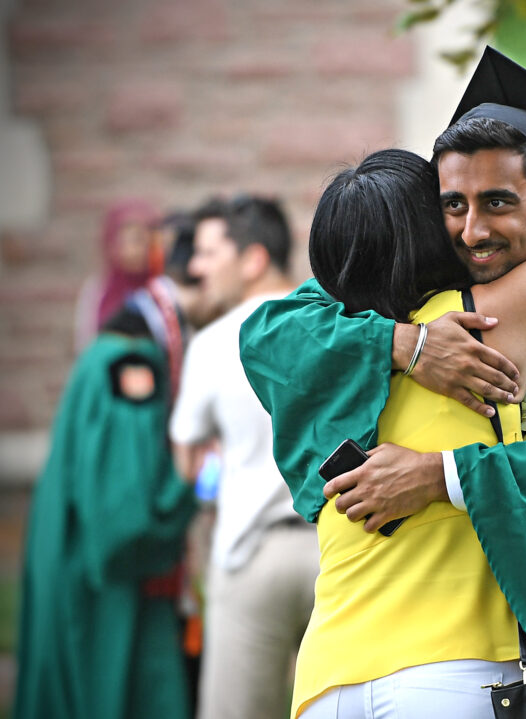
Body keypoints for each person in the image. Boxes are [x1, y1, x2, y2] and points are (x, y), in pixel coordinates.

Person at [241, 47, 526, 718]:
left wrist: (438, 472)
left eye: (497, 202)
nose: (473, 229)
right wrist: (409, 345)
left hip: (345, 679)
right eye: (452, 205)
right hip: (448, 672)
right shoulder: (440, 310)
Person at [15, 217, 202, 719]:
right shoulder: (133, 360)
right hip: (106, 581)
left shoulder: (128, 343)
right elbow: (125, 521)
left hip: (87, 557)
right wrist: (185, 485)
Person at [167, 196, 319, 719]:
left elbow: (187, 466)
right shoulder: (337, 320)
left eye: (210, 252)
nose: (195, 266)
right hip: (340, 548)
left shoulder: (212, 342)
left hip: (249, 552)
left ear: (253, 259)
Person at [74, 199, 164, 352]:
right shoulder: (97, 292)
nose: (137, 250)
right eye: (129, 241)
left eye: (144, 241)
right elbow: (85, 345)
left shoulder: (162, 290)